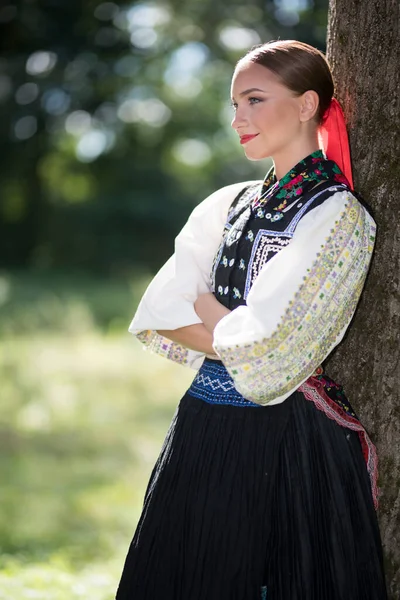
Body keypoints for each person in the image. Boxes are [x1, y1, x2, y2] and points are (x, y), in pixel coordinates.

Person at [115, 40, 388, 600]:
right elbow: (162, 311)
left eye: (255, 100)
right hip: (203, 425)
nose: (238, 119)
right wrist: (235, 328)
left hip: (286, 439)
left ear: (308, 103)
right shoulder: (228, 202)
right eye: (234, 104)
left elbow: (276, 354)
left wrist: (211, 309)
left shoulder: (337, 216)